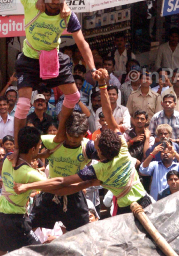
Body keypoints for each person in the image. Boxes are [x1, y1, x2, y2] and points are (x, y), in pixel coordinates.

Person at [3, 0, 106, 149]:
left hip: (53, 60)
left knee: (73, 97)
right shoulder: (32, 3)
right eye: (52, 0)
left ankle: (60, 134)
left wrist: (92, 68)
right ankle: (18, 149)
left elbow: (82, 43)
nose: (56, 4)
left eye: (60, 0)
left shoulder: (67, 14)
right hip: (30, 59)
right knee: (22, 106)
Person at [13, 71, 150, 216]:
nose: (94, 138)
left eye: (96, 141)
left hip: (125, 211)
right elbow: (108, 113)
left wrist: (28, 186)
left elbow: (61, 181)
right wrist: (102, 85)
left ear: (100, 152)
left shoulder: (98, 169)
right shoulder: (121, 148)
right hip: (145, 201)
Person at [29, 112, 93, 232]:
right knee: (30, 225)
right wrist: (37, 154)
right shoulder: (51, 141)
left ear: (84, 134)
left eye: (77, 138)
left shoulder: (88, 147)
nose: (73, 140)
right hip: (51, 191)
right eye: (70, 136)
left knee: (83, 231)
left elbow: (108, 156)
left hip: (74, 194)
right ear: (66, 131)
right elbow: (25, 146)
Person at [0, 126, 47, 254]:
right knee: (40, 252)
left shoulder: (7, 159)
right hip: (16, 222)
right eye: (39, 146)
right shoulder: (29, 173)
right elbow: (52, 185)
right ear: (33, 149)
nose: (40, 148)